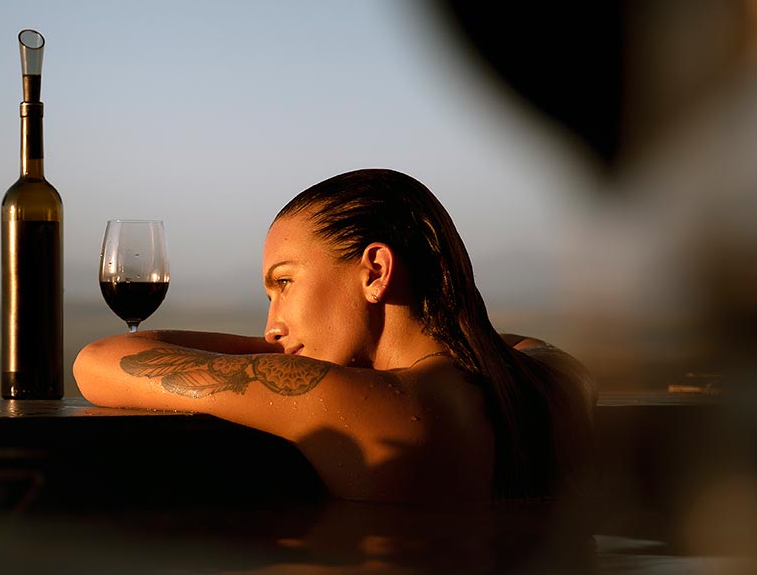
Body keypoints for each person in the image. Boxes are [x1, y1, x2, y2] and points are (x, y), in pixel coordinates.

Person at [74, 168, 597, 502]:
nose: (271, 323)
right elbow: (515, 343)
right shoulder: (558, 381)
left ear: (374, 271)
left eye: (284, 283)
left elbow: (99, 360)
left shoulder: (364, 404)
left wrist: (278, 354)